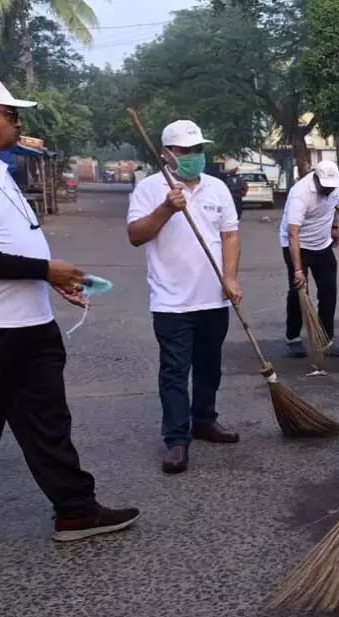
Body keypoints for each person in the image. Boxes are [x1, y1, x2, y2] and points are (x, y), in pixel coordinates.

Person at [0, 74, 140, 541]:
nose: (18, 122)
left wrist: (52, 280)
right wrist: (44, 272)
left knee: (48, 424)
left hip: (31, 326)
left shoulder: (4, 172)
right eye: (9, 113)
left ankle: (75, 510)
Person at [127, 120, 243, 474]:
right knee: (175, 371)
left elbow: (230, 236)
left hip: (213, 298)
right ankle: (177, 440)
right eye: (186, 151)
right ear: (166, 154)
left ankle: (205, 420)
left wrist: (230, 276)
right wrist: (166, 208)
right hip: (172, 302)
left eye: (198, 150)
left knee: (209, 367)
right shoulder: (149, 190)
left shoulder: (217, 189)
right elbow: (135, 235)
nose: (194, 156)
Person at [279, 160, 339, 358]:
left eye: (331, 187)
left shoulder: (335, 187)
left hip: (322, 244)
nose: (329, 190)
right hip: (297, 244)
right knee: (299, 292)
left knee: (329, 292)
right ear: (315, 178)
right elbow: (293, 233)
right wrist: (298, 270)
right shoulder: (300, 194)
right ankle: (293, 337)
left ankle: (325, 340)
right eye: (325, 187)